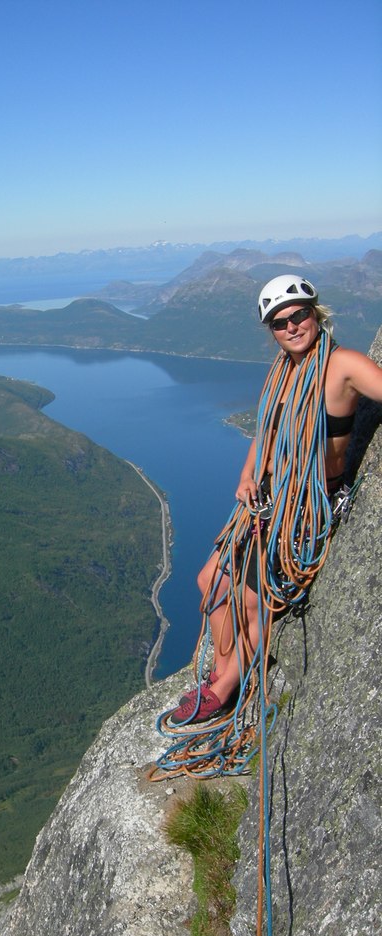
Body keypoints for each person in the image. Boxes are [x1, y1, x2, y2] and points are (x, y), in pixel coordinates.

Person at [164, 274, 382, 731]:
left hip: (308, 504)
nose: (292, 327)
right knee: (208, 582)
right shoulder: (283, 371)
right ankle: (226, 669)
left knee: (247, 597)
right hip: (268, 500)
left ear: (315, 312)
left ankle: (223, 687)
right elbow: (267, 435)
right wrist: (247, 477)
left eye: (299, 315)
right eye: (280, 323)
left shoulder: (341, 364)